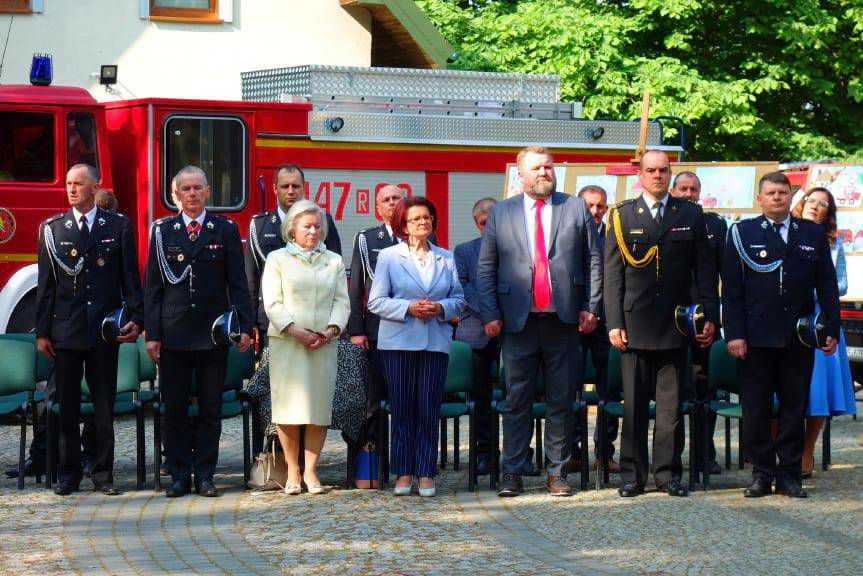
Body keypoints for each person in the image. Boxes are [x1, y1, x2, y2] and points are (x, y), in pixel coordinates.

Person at [478, 146, 602, 498]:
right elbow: (486, 267)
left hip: (563, 321)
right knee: (516, 400)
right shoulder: (501, 213)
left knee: (562, 400)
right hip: (517, 322)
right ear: (522, 175)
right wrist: (490, 313)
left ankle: (557, 472)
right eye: (536, 168)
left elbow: (593, 259)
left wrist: (591, 306)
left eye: (548, 167)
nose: (544, 172)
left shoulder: (574, 207)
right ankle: (512, 472)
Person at [604, 150, 719, 498]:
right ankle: (632, 476)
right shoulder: (622, 215)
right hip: (635, 323)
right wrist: (613, 322)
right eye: (651, 170)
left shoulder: (689, 213)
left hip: (676, 323)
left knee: (670, 410)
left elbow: (705, 270)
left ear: (670, 173)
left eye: (663, 170)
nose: (658, 176)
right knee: (634, 408)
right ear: (639, 174)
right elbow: (613, 275)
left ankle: (668, 474)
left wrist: (709, 316)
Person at [723, 172, 840, 499]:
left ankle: (790, 475)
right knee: (756, 410)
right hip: (755, 337)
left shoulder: (811, 233)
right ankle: (761, 473)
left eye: (782, 192)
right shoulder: (742, 233)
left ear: (791, 197)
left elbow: (827, 285)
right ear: (760, 199)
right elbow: (731, 291)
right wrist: (734, 333)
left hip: (797, 336)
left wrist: (831, 328)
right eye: (771, 193)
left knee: (794, 408)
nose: (777, 198)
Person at [144, 165, 254, 498]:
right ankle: (179, 474)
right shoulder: (163, 232)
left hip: (212, 333)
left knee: (210, 409)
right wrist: (152, 333)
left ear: (208, 192)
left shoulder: (224, 230)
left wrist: (246, 326)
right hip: (174, 331)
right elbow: (153, 286)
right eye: (185, 189)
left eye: (197, 188)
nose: (192, 194)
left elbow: (238, 282)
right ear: (175, 195)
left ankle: (205, 474)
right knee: (173, 408)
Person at [35, 163, 144, 496]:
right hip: (66, 331)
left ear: (95, 187)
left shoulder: (118, 226)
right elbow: (46, 286)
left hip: (102, 331)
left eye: (78, 184)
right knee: (66, 406)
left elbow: (130, 279)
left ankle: (102, 473)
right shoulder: (53, 229)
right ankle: (68, 474)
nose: (71, 189)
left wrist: (137, 319)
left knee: (103, 406)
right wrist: (41, 332)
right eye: (68, 183)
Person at [368, 196, 465, 497]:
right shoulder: (388, 257)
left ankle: (425, 472)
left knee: (427, 408)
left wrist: (440, 307)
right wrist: (408, 307)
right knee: (403, 409)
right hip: (398, 342)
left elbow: (460, 299)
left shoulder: (446, 257)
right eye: (416, 219)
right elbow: (375, 301)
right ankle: (403, 472)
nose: (423, 222)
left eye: (427, 217)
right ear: (403, 225)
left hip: (434, 342)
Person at [261, 199, 350, 495]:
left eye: (317, 226)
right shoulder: (276, 259)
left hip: (323, 343)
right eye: (306, 226)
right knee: (288, 410)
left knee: (317, 409)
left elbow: (341, 302)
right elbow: (272, 301)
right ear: (292, 229)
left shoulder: (334, 261)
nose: (312, 232)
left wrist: (330, 330)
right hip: (288, 342)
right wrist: (295, 330)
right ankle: (293, 471)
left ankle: (312, 471)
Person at [791, 187, 856, 477]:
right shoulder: (786, 232)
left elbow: (840, 285)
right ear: (801, 204)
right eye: (812, 201)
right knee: (780, 393)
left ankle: (806, 454)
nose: (816, 207)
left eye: (823, 205)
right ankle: (780, 453)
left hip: (819, 321)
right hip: (790, 320)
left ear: (828, 214)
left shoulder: (833, 243)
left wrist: (812, 283)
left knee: (818, 394)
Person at [246, 164, 341, 353]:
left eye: (296, 186)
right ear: (274, 189)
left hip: (318, 323)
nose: (291, 191)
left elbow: (334, 271)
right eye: (285, 186)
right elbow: (251, 277)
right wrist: (249, 321)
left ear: (304, 188)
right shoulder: (259, 226)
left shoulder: (324, 222)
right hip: (274, 323)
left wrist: (333, 324)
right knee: (277, 381)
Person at [669, 171, 727, 476]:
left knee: (707, 391)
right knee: (674, 392)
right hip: (671, 322)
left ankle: (705, 454)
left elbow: (723, 277)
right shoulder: (663, 220)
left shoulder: (714, 225)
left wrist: (715, 321)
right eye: (683, 188)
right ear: (673, 191)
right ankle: (672, 456)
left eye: (694, 189)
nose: (689, 194)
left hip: (704, 322)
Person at [348, 184, 404, 461]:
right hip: (377, 331)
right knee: (374, 402)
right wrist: (356, 329)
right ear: (377, 208)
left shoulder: (418, 235)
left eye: (397, 198)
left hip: (410, 330)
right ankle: (375, 462)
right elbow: (356, 287)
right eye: (386, 199)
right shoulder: (366, 239)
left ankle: (405, 459)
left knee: (405, 399)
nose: (392, 203)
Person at [569, 184, 620, 474]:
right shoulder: (567, 237)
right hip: (574, 323)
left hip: (607, 325)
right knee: (571, 390)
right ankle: (573, 452)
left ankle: (605, 452)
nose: (595, 211)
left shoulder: (613, 238)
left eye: (600, 206)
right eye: (589, 205)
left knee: (609, 389)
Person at [454, 197, 498, 475]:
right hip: (477, 333)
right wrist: (492, 315)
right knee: (481, 398)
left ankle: (523, 454)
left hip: (514, 331)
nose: (489, 227)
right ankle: (485, 453)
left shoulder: (518, 248)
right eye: (484, 223)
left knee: (519, 396)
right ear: (477, 224)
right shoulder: (463, 251)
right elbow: (462, 288)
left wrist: (504, 317)